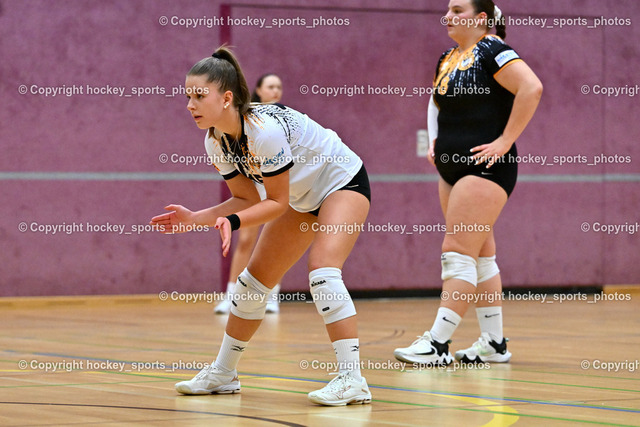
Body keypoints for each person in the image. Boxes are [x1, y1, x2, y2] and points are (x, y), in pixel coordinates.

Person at [150, 46, 372, 406]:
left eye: (199, 95)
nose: (190, 104)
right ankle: (223, 373)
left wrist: (231, 222)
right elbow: (247, 199)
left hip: (341, 182)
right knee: (251, 285)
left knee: (323, 273)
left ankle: (353, 379)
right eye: (187, 95)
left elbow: (275, 203)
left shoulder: (263, 131)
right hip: (302, 198)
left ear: (225, 99)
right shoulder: (215, 141)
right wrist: (195, 219)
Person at [394, 0, 542, 365]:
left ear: (480, 18)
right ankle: (494, 344)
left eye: (458, 9)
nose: (449, 15)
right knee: (479, 255)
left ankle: (437, 343)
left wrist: (505, 140)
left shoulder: (493, 49)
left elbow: (531, 88)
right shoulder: (447, 57)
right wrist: (432, 140)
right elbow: (435, 101)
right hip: (450, 169)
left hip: (485, 168)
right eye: (448, 8)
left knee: (457, 251)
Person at [214, 73, 284, 315]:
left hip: (280, 187)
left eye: (279, 87)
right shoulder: (245, 119)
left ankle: (271, 296)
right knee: (245, 240)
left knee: (275, 241)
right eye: (270, 86)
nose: (275, 91)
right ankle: (231, 295)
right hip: (255, 187)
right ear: (259, 90)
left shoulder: (282, 120)